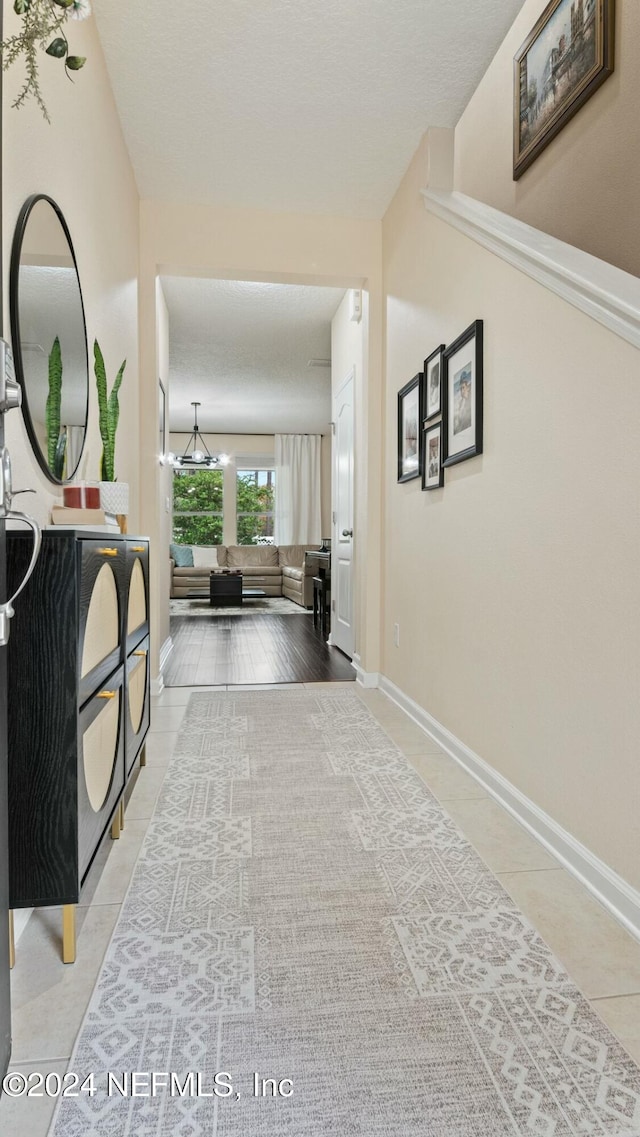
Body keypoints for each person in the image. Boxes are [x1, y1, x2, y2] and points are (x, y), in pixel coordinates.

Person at [453, 369, 472, 434]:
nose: (461, 391)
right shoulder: (462, 403)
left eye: (463, 387)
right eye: (460, 388)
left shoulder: (471, 401)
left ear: (468, 387)